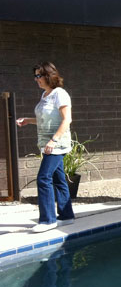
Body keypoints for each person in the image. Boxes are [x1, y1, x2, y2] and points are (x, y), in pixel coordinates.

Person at [16, 62, 75, 233]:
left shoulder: (60, 94)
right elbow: (46, 118)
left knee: (43, 178)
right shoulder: (45, 95)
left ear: (48, 75)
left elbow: (66, 119)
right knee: (58, 179)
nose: (36, 79)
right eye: (35, 76)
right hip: (47, 143)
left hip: (57, 144)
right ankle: (66, 216)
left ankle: (48, 220)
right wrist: (28, 120)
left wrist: (54, 140)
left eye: (38, 76)